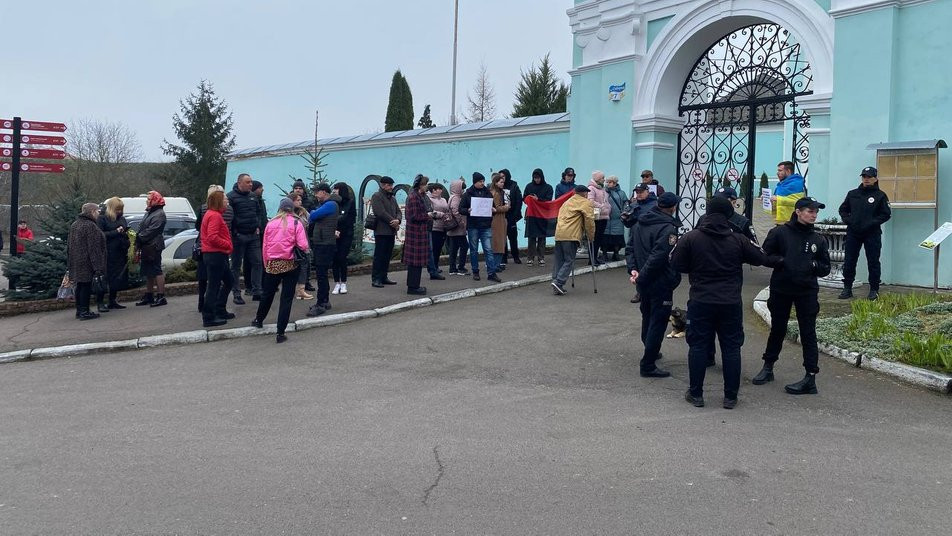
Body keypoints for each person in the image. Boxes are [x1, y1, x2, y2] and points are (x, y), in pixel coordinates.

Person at [670, 196, 783, 409]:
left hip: (701, 300)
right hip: (730, 301)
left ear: (707, 212)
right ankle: (730, 397)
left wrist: (696, 264)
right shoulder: (738, 239)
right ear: (728, 215)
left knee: (698, 346)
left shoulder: (691, 238)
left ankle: (696, 394)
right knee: (731, 348)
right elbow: (760, 257)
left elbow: (676, 262)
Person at [753, 197, 832, 395]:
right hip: (782, 289)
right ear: (798, 211)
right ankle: (768, 366)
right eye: (809, 211)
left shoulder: (818, 239)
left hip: (806, 291)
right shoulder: (780, 232)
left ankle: (810, 377)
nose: (813, 215)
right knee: (778, 329)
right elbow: (764, 256)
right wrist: (782, 262)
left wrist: (813, 266)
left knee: (808, 333)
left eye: (815, 212)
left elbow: (825, 267)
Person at [628, 192, 682, 377]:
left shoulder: (641, 222)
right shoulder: (668, 229)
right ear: (673, 207)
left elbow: (630, 249)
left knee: (647, 315)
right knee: (658, 322)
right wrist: (640, 274)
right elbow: (658, 257)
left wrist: (634, 270)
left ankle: (650, 350)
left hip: (643, 281)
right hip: (659, 281)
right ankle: (648, 364)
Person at [253, 198, 311, 343]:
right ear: (292, 209)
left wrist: (267, 264)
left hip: (273, 263)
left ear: (280, 208)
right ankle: (280, 332)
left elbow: (265, 246)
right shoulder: (297, 223)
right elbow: (303, 245)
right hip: (291, 263)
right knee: (286, 298)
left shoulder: (270, 223)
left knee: (268, 294)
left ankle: (259, 320)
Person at [838, 166, 892, 301]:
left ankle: (874, 289)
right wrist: (849, 221)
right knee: (849, 260)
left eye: (869, 177)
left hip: (872, 233)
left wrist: (872, 223)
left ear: (875, 178)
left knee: (873, 261)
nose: (866, 179)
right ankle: (847, 288)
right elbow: (843, 210)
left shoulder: (880, 196)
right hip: (853, 233)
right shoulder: (853, 194)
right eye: (864, 177)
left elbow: (886, 214)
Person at [551, 185, 595, 295]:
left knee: (559, 260)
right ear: (585, 194)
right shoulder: (585, 203)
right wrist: (591, 235)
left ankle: (555, 281)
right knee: (569, 260)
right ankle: (559, 282)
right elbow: (589, 220)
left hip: (559, 233)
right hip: (571, 235)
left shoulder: (567, 202)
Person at [197, 185, 235, 312]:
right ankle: (209, 316)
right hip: (214, 255)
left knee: (229, 281)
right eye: (225, 200)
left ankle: (220, 309)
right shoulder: (214, 216)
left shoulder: (213, 214)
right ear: (219, 201)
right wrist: (227, 244)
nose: (227, 202)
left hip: (217, 255)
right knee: (213, 286)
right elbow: (212, 237)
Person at [227, 173, 263, 304]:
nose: (251, 184)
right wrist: (235, 233)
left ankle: (257, 290)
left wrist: (258, 225)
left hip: (253, 235)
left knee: (258, 262)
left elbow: (258, 212)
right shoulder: (231, 197)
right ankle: (236, 293)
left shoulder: (253, 196)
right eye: (248, 182)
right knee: (236, 266)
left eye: (251, 182)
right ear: (239, 183)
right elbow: (229, 217)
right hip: (238, 237)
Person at [68, 203, 107, 320]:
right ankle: (85, 311)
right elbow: (93, 248)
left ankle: (80, 310)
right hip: (87, 262)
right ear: (92, 212)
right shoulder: (90, 226)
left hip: (76, 261)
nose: (99, 214)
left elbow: (69, 245)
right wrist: (98, 267)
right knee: (85, 287)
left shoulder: (75, 224)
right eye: (98, 212)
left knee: (80, 286)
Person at [459, 172, 500, 282]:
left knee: (488, 249)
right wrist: (467, 210)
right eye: (480, 181)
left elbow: (493, 207)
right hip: (473, 226)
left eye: (483, 181)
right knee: (474, 250)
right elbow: (460, 209)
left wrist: (494, 211)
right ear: (475, 182)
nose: (482, 183)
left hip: (486, 225)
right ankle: (475, 271)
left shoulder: (487, 193)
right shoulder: (468, 194)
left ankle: (491, 273)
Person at [622, 184, 657, 304]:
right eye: (637, 192)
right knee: (636, 262)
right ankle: (640, 291)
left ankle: (649, 289)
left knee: (648, 262)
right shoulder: (634, 204)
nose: (639, 194)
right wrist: (625, 218)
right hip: (635, 236)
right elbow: (628, 224)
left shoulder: (654, 205)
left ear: (647, 191)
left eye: (641, 192)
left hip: (649, 237)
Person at [308, 184, 340, 314]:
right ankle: (325, 301)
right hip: (323, 242)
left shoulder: (330, 205)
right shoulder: (327, 204)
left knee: (321, 275)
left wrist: (312, 212)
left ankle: (321, 303)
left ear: (323, 192)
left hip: (324, 244)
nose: (315, 195)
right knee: (322, 274)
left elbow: (313, 216)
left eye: (317, 192)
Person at [404, 175, 438, 295]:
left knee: (417, 263)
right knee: (415, 262)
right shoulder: (413, 197)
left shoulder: (418, 196)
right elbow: (413, 216)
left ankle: (415, 285)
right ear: (420, 185)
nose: (427, 186)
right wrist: (427, 216)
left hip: (418, 232)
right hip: (415, 233)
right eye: (425, 184)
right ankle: (413, 287)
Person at [96, 197, 130, 311]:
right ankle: (100, 302)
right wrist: (116, 232)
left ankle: (113, 300)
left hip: (120, 252)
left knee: (116, 278)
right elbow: (100, 235)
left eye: (121, 209)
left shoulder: (122, 219)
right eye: (117, 209)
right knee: (104, 278)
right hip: (107, 252)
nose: (119, 212)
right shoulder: (102, 219)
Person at [134, 191, 168, 307]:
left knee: (156, 269)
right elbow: (142, 226)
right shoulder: (150, 211)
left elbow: (153, 230)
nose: (147, 201)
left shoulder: (159, 214)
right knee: (148, 271)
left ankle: (161, 296)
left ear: (155, 200)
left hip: (154, 245)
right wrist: (138, 236)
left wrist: (140, 237)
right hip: (147, 244)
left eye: (149, 199)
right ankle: (149, 295)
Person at [370, 176, 402, 287]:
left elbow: (398, 211)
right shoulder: (376, 196)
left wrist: (398, 220)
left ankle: (384, 277)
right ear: (383, 185)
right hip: (381, 230)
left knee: (387, 255)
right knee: (379, 255)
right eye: (389, 185)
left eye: (391, 185)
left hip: (391, 231)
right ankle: (376, 278)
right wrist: (392, 221)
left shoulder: (392, 198)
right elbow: (380, 212)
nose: (391, 187)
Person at [287, 192, 314, 300]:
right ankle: (292, 289)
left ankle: (301, 290)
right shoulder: (287, 214)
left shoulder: (303, 212)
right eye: (297, 200)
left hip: (303, 242)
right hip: (291, 244)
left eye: (300, 200)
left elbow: (309, 222)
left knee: (304, 265)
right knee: (292, 266)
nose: (300, 202)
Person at [523, 168, 553, 266]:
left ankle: (541, 258)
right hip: (531, 215)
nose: (537, 180)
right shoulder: (529, 186)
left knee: (541, 237)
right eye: (535, 178)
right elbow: (524, 198)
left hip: (542, 214)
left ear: (542, 177)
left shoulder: (548, 187)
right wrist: (529, 199)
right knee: (531, 237)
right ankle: (530, 258)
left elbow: (548, 201)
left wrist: (538, 199)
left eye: (538, 178)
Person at [331, 181, 356, 295]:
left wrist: (337, 219)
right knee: (335, 258)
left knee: (342, 257)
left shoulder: (350, 202)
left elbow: (346, 218)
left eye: (336, 189)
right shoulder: (332, 202)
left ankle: (344, 282)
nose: (334, 191)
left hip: (346, 234)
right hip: (334, 233)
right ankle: (337, 283)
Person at [500, 168, 523, 266]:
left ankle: (516, 256)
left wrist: (515, 215)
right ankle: (503, 257)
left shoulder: (514, 186)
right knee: (502, 238)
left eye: (503, 176)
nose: (502, 179)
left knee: (513, 238)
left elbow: (518, 201)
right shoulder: (498, 187)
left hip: (511, 215)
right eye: (500, 177)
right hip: (501, 216)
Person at [446, 178, 469, 276]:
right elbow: (455, 211)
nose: (463, 190)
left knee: (453, 248)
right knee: (464, 246)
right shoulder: (456, 198)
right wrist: (461, 223)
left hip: (453, 228)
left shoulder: (452, 196)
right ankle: (460, 267)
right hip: (458, 228)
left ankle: (452, 268)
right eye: (462, 188)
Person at [428, 183, 452, 277]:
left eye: (441, 189)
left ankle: (436, 265)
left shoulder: (443, 199)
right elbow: (430, 212)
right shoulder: (429, 199)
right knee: (434, 248)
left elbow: (447, 209)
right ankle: (432, 267)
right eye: (438, 189)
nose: (440, 191)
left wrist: (448, 216)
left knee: (439, 248)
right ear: (433, 190)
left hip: (443, 226)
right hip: (434, 226)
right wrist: (441, 214)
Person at [771, 161, 805, 225]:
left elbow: (797, 202)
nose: (777, 173)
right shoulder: (782, 184)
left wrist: (777, 199)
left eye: (780, 170)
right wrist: (767, 198)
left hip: (792, 222)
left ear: (788, 171)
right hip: (781, 221)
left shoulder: (796, 184)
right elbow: (777, 199)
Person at [587, 171, 610, 265]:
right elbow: (590, 202)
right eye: (602, 178)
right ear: (597, 179)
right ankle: (592, 259)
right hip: (596, 218)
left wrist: (608, 207)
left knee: (599, 239)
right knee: (594, 239)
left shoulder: (602, 189)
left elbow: (606, 201)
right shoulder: (591, 189)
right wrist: (602, 206)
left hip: (603, 216)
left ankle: (595, 257)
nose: (604, 180)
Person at [603, 175, 628, 261]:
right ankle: (604, 254)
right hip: (606, 218)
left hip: (618, 219)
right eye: (607, 182)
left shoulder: (621, 193)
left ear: (615, 183)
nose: (608, 184)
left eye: (610, 182)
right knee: (605, 238)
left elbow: (626, 203)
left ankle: (616, 253)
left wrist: (624, 211)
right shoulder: (604, 192)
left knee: (617, 238)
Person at [490, 173, 511, 272]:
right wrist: (506, 207)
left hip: (499, 220)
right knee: (498, 243)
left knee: (498, 243)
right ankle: (495, 265)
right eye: (501, 182)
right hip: (497, 220)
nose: (503, 184)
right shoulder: (496, 194)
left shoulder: (498, 192)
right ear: (496, 182)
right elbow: (496, 208)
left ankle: (495, 264)